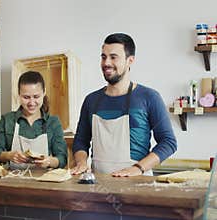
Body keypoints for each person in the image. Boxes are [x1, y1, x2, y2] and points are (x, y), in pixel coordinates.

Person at [71, 33, 177, 177]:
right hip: (99, 185)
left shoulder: (149, 97)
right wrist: (82, 162)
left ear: (130, 60)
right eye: (103, 57)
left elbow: (168, 143)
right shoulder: (91, 100)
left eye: (113, 57)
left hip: (137, 184)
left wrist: (137, 168)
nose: (106, 63)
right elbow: (81, 141)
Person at [0, 71, 67, 169]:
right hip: (13, 181)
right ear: (19, 94)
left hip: (44, 182)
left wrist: (49, 161)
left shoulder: (53, 122)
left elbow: (62, 158)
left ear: (44, 92)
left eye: (36, 96)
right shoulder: (7, 120)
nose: (31, 103)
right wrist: (9, 155)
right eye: (26, 97)